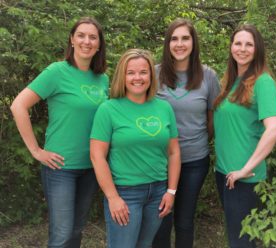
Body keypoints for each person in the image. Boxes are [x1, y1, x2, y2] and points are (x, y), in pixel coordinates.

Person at [10, 17, 109, 248]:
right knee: (62, 233)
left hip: (92, 166)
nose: (87, 41)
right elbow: (18, 106)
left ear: (99, 44)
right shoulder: (57, 71)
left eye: (92, 37)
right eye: (81, 35)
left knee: (76, 229)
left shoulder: (102, 78)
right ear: (72, 40)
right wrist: (36, 150)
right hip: (60, 167)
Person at [90, 49, 181, 248]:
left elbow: (174, 152)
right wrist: (113, 197)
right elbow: (97, 156)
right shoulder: (108, 109)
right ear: (122, 76)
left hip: (158, 192)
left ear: (151, 75)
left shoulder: (164, 108)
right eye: (131, 73)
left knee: (144, 245)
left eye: (143, 72)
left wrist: (171, 191)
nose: (137, 78)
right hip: (125, 192)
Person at [152, 19, 220, 248]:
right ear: (167, 43)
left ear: (194, 43)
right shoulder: (154, 74)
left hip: (194, 160)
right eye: (174, 39)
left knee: (184, 221)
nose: (179, 44)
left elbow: (212, 118)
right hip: (159, 161)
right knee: (161, 220)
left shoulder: (208, 76)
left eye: (185, 38)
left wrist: (198, 141)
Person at [213, 24, 276, 248]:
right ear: (231, 46)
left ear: (257, 49)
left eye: (249, 44)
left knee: (241, 243)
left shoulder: (263, 82)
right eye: (238, 43)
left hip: (245, 178)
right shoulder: (233, 81)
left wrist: (245, 168)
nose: (242, 49)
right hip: (224, 173)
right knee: (237, 237)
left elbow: (274, 129)